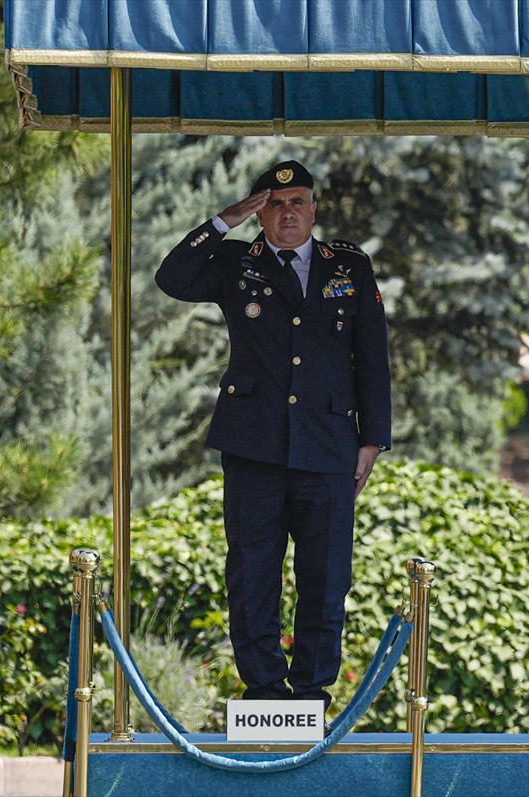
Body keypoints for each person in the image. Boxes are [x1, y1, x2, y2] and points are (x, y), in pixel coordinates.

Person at [156, 161, 392, 713]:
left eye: (297, 202)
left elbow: (372, 356)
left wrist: (372, 439)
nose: (287, 213)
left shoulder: (349, 266)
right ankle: (264, 693)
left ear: (314, 209)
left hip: (329, 443)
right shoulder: (238, 262)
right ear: (262, 211)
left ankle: (310, 694)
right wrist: (226, 219)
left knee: (327, 577)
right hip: (253, 444)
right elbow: (172, 277)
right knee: (253, 571)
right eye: (275, 204)